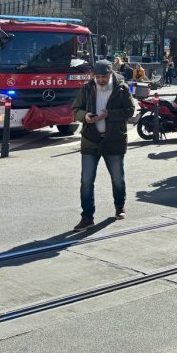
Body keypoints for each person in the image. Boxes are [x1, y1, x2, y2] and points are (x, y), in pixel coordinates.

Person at [70, 59, 136, 230]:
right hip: (91, 139)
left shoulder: (122, 88)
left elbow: (130, 110)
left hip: (114, 139)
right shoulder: (87, 88)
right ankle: (87, 217)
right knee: (86, 181)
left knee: (117, 178)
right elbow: (75, 109)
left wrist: (109, 114)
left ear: (110, 74)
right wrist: (85, 116)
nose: (100, 80)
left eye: (103, 77)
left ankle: (119, 207)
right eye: (97, 77)